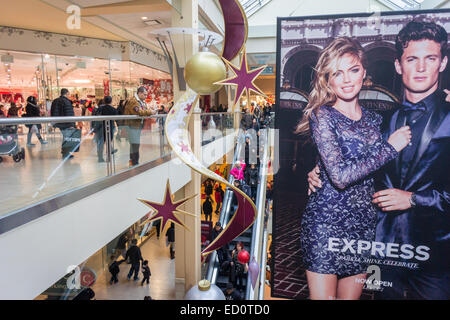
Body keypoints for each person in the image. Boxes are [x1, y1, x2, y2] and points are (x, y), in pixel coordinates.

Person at [307, 21, 450, 300]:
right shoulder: (381, 121)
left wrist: (413, 198)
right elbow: (348, 160)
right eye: (412, 59)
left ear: (442, 63)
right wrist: (316, 169)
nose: (420, 68)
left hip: (434, 253)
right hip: (381, 246)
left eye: (430, 59)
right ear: (398, 65)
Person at [296, 37, 410, 300]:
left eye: (353, 70)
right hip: (325, 224)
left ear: (364, 73)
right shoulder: (322, 115)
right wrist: (389, 148)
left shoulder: (378, 119)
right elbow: (340, 176)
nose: (347, 79)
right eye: (337, 72)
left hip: (363, 226)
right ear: (328, 79)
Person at [124, 86, 155, 167]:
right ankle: (134, 162)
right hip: (132, 126)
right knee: (135, 144)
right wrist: (150, 112)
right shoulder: (133, 101)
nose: (146, 96)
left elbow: (143, 110)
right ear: (140, 93)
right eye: (144, 95)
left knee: (135, 144)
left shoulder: (141, 101)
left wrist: (148, 110)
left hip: (137, 126)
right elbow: (139, 112)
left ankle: (133, 161)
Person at [51, 88, 76, 159]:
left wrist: (54, 122)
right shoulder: (67, 102)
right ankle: (65, 153)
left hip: (58, 122)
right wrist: (72, 124)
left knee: (65, 136)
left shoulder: (55, 101)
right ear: (67, 93)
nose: (69, 95)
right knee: (67, 137)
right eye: (69, 94)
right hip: (66, 123)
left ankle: (65, 151)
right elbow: (69, 114)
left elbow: (52, 112)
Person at [93, 96, 118, 162]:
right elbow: (116, 118)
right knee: (109, 141)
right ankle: (108, 157)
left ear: (104, 101)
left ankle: (100, 157)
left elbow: (95, 116)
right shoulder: (113, 109)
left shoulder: (100, 108)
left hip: (101, 128)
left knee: (100, 143)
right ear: (111, 101)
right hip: (110, 127)